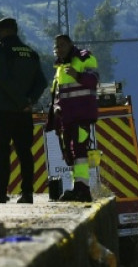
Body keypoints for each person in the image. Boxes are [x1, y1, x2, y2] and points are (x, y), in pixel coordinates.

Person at [0, 18, 47, 204]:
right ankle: (27, 193)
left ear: (6, 31)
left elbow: (3, 79)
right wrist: (29, 101)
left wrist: (20, 102)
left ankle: (0, 193)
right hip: (24, 112)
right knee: (25, 152)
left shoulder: (0, 50)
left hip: (3, 111)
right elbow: (42, 82)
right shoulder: (30, 52)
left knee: (0, 151)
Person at [50, 34, 99, 202]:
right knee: (70, 153)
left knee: (80, 150)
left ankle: (83, 189)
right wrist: (56, 107)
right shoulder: (59, 66)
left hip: (82, 114)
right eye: (56, 46)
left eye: (62, 45)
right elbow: (59, 93)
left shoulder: (85, 57)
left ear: (71, 44)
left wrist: (77, 75)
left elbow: (93, 80)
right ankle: (77, 187)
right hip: (66, 117)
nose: (59, 49)